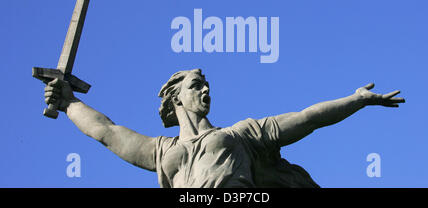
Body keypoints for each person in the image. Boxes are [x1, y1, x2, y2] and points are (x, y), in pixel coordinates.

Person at [44, 68, 404, 188]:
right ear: (176, 99)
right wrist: (68, 102)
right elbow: (105, 131)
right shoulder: (162, 151)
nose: (206, 89)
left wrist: (356, 100)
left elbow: (307, 118)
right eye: (196, 85)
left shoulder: (240, 134)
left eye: (206, 84)